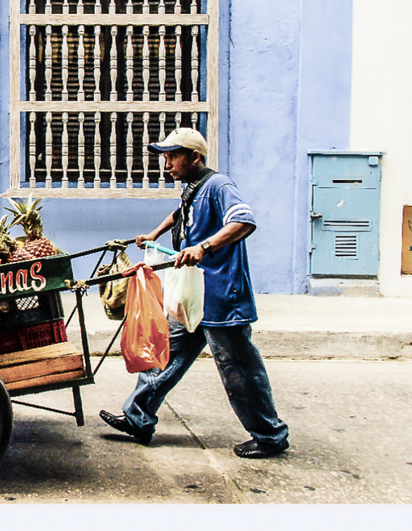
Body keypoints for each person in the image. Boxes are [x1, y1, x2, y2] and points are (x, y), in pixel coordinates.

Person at [99, 127, 290, 458]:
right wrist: (154, 232)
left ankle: (270, 436)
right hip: (192, 294)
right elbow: (180, 214)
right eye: (166, 158)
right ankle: (138, 419)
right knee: (164, 355)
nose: (167, 164)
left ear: (194, 157)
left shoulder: (219, 186)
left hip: (221, 297)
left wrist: (205, 246)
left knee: (239, 369)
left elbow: (244, 220)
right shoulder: (193, 188)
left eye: (173, 157)